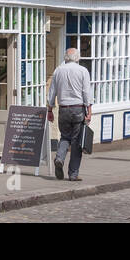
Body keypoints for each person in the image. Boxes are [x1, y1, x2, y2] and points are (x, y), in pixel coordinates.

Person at [46, 47, 93, 181]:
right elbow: (86, 93)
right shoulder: (83, 71)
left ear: (65, 57)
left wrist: (50, 109)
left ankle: (59, 158)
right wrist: (89, 111)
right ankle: (73, 174)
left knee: (65, 137)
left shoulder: (58, 71)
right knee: (77, 141)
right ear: (77, 58)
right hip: (78, 108)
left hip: (63, 108)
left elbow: (52, 92)